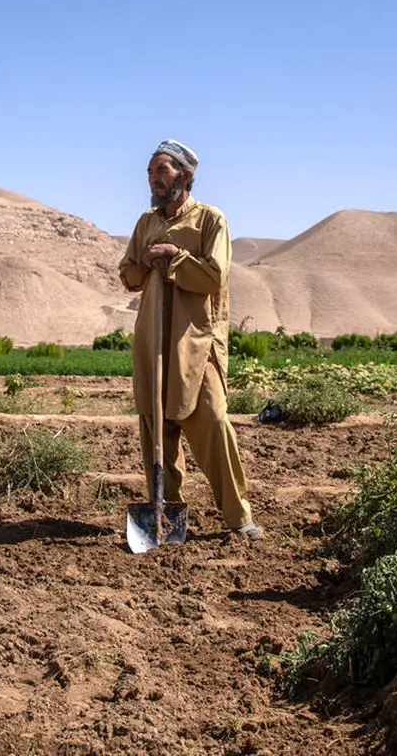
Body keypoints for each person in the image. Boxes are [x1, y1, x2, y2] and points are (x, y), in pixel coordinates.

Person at [118, 140, 262, 540]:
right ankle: (168, 518)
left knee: (213, 424)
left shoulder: (210, 220)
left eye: (161, 170)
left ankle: (239, 518)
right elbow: (128, 275)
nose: (153, 178)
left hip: (196, 342)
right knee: (156, 432)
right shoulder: (146, 222)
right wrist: (145, 260)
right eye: (150, 171)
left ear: (185, 176)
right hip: (152, 342)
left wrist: (175, 257)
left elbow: (214, 276)